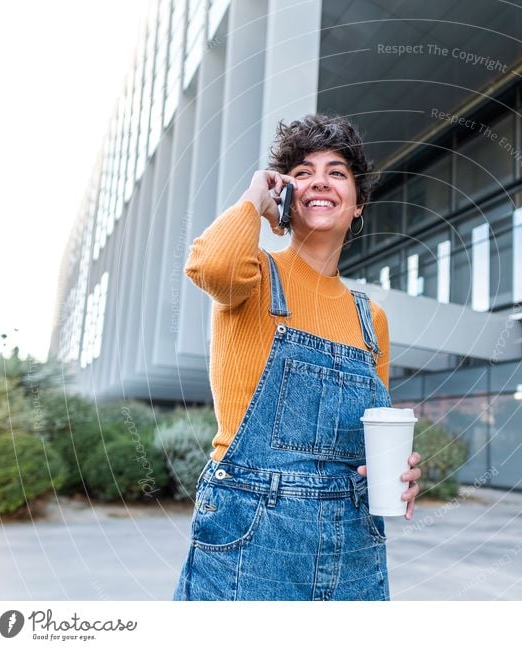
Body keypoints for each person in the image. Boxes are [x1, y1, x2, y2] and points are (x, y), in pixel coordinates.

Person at [171, 113, 422, 601]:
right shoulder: (253, 277)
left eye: (336, 172)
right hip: (251, 537)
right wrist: (255, 197)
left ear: (358, 204)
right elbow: (210, 263)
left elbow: (376, 438)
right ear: (285, 194)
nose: (319, 182)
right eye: (302, 173)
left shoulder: (372, 320)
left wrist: (401, 472)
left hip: (354, 547)